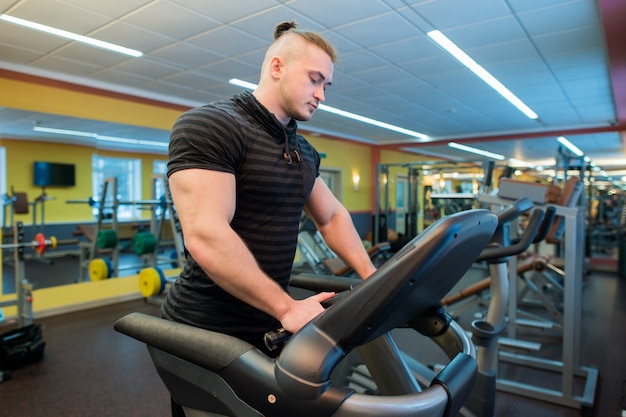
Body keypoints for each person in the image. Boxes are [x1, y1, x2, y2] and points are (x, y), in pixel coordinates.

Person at [161, 21, 377, 416]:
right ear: (277, 67)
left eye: (326, 85)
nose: (321, 95)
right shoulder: (212, 126)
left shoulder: (303, 150)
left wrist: (373, 277)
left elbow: (331, 216)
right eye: (315, 79)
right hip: (206, 328)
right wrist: (286, 307)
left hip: (267, 328)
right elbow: (206, 234)